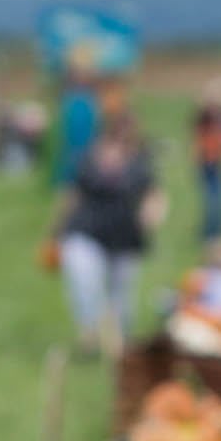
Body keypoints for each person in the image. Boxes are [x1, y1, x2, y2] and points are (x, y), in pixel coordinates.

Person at [51, 111, 166, 356]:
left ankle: (119, 345)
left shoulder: (139, 164)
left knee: (121, 295)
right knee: (86, 282)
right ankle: (89, 333)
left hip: (124, 238)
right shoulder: (88, 161)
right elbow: (72, 195)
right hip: (87, 232)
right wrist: (56, 230)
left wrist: (150, 215)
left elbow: (154, 195)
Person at [192, 80, 221, 241]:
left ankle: (216, 232)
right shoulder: (204, 120)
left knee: (219, 200)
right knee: (212, 200)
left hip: (218, 164)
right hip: (207, 164)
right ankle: (211, 232)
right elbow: (198, 143)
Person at [53, 59, 99, 187]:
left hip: (86, 129)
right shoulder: (67, 95)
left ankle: (85, 180)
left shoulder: (91, 96)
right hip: (72, 131)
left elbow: (95, 117)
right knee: (71, 156)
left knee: (85, 155)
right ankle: (67, 181)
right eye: (79, 74)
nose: (81, 77)